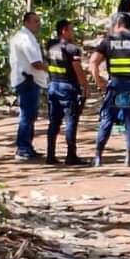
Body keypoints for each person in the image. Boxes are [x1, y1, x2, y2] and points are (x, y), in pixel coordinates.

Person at [90, 12, 130, 167]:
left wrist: (99, 80)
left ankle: (98, 157)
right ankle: (129, 158)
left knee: (107, 120)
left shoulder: (108, 41)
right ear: (128, 25)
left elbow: (93, 62)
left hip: (114, 86)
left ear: (116, 24)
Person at [45, 20, 89, 166]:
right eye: (71, 29)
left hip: (53, 86)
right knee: (70, 121)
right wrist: (85, 86)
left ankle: (50, 155)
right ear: (64, 31)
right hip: (67, 88)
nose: (73, 32)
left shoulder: (50, 45)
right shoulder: (72, 49)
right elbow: (77, 69)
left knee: (54, 122)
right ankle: (71, 155)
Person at [8, 11, 48, 161]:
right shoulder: (25, 39)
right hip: (27, 80)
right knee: (27, 115)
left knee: (30, 115)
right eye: (35, 21)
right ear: (26, 22)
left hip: (28, 80)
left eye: (38, 21)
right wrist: (52, 68)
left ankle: (27, 147)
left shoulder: (26, 37)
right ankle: (23, 148)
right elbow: (35, 63)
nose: (38, 24)